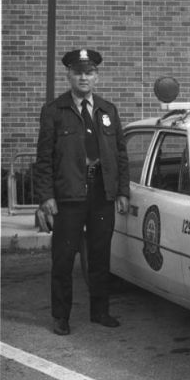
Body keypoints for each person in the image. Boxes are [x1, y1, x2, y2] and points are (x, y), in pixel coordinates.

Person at [33, 48, 129, 335]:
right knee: (63, 258)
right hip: (69, 195)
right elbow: (44, 158)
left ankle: (100, 311)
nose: (83, 78)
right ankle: (61, 316)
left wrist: (122, 190)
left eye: (89, 73)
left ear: (96, 76)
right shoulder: (54, 111)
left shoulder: (107, 109)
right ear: (69, 75)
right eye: (78, 73)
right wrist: (46, 197)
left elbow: (120, 154)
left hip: (101, 193)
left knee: (100, 255)